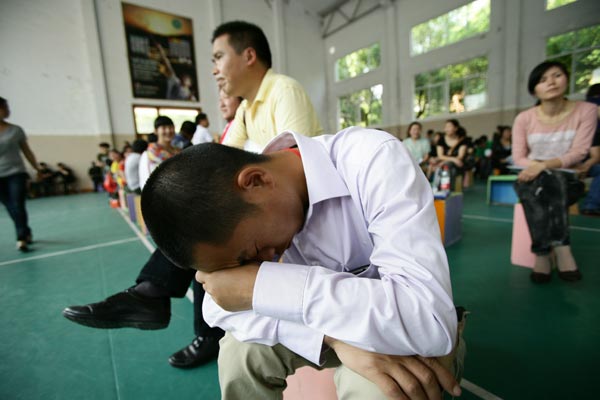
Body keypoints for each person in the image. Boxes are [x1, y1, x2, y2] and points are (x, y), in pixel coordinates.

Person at [63, 20, 324, 370]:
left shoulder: (283, 91)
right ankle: (172, 308)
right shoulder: (247, 107)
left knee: (212, 235)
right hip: (265, 198)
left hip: (302, 203)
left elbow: (295, 161)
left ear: (248, 56)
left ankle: (168, 305)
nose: (214, 70)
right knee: (198, 222)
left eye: (218, 57)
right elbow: (218, 163)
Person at [141, 127, 464, 399]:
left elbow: (429, 321)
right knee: (239, 354)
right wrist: (333, 339)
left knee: (381, 391)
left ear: (255, 181)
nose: (260, 262)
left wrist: (262, 287)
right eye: (244, 264)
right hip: (344, 326)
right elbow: (219, 308)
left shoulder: (372, 158)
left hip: (400, 333)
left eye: (252, 251)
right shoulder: (244, 223)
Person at [512, 61, 596, 283]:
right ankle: (558, 249)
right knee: (540, 182)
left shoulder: (586, 111)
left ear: (567, 79)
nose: (551, 82)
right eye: (543, 79)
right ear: (534, 89)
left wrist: (543, 165)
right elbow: (518, 157)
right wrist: (539, 168)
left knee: (551, 179)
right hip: (530, 177)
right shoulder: (524, 118)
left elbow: (579, 152)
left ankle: (545, 252)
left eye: (557, 75)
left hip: (569, 181)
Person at [0, 97, 41, 251]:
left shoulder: (15, 130)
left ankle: (21, 236)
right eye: (4, 107)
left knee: (18, 204)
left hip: (16, 172)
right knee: (9, 206)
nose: (7, 110)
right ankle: (25, 229)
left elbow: (26, 151)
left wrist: (36, 168)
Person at [576, 84, 600, 215]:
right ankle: (591, 205)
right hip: (562, 163)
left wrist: (585, 166)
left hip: (585, 164)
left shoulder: (594, 131)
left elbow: (596, 155)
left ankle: (591, 205)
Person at [429, 119, 468, 189]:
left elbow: (460, 157)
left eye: (449, 126)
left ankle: (443, 189)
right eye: (445, 127)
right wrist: (452, 159)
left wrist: (444, 162)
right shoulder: (441, 139)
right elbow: (440, 156)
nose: (447, 129)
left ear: (456, 128)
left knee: (448, 166)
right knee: (447, 167)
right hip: (444, 163)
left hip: (458, 165)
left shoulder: (463, 140)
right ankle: (444, 189)